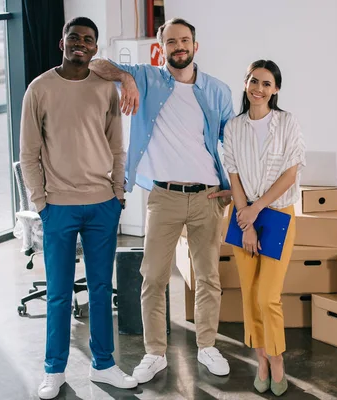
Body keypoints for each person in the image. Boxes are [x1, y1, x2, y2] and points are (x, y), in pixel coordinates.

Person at [89, 17, 235, 383]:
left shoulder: (217, 90)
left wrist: (235, 188)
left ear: (195, 46)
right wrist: (124, 78)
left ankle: (207, 345)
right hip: (164, 196)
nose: (179, 47)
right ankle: (154, 353)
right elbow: (96, 64)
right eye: (171, 42)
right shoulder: (147, 77)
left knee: (208, 277)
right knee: (152, 278)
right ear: (162, 47)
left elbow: (231, 142)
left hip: (207, 197)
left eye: (185, 40)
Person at [19, 17, 138, 399]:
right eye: (74, 38)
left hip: (102, 204)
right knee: (58, 291)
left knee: (102, 289)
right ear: (62, 43)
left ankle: (104, 364)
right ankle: (54, 370)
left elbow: (117, 147)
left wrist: (118, 195)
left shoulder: (105, 89)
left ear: (95, 47)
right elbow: (29, 153)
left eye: (88, 39)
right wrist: (41, 202)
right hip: (59, 207)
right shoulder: (39, 89)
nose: (81, 44)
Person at [222, 60, 306, 396]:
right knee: (250, 297)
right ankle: (260, 359)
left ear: (276, 90)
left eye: (266, 84)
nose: (259, 88)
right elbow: (233, 175)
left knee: (268, 296)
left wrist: (257, 210)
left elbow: (291, 173)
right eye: (254, 81)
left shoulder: (287, 123)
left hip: (277, 215)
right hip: (243, 217)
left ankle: (277, 360)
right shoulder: (233, 127)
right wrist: (246, 218)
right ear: (246, 83)